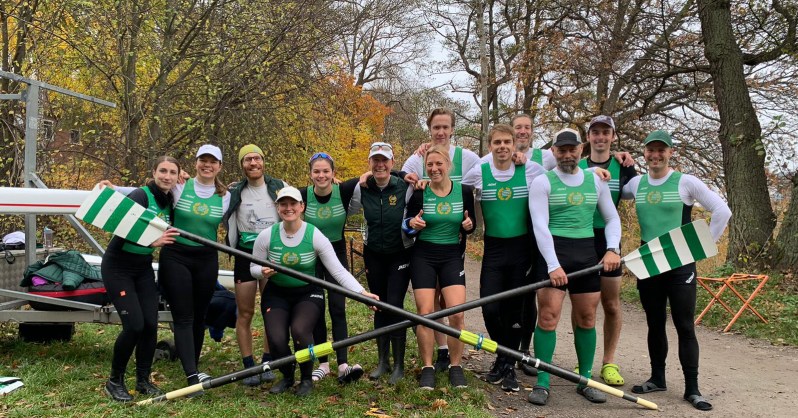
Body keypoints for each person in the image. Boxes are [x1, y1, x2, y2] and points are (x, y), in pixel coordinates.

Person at [622, 130, 730, 412]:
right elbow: (613, 189)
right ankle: (657, 378)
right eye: (651, 150)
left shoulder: (686, 182)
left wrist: (700, 246)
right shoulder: (637, 184)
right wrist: (617, 163)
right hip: (649, 263)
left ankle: (692, 388)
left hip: (680, 265)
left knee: (684, 325)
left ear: (671, 153)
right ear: (645, 153)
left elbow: (722, 211)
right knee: (654, 322)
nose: (655, 155)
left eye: (662, 150)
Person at [249, 187, 379, 397]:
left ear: (302, 207)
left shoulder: (315, 235)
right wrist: (261, 271)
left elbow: (338, 271)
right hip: (277, 293)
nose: (288, 208)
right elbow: (253, 268)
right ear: (277, 208)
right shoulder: (266, 236)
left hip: (308, 293)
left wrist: (362, 293)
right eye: (283, 204)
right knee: (276, 338)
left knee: (300, 331)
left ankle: (306, 378)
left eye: (293, 204)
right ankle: (287, 376)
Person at [527, 128, 621, 406]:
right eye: (562, 150)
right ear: (554, 152)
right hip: (553, 253)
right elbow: (540, 225)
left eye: (572, 149)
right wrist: (553, 265)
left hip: (586, 254)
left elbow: (612, 218)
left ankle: (585, 381)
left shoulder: (596, 181)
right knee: (548, 317)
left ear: (581, 150)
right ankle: (543, 381)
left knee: (587, 318)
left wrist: (612, 249)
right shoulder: (543, 182)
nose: (567, 154)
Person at [462, 124, 546, 392]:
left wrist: (593, 172)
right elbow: (450, 187)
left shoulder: (530, 170)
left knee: (515, 310)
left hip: (522, 250)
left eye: (507, 142)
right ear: (490, 146)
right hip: (494, 249)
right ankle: (504, 355)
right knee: (489, 307)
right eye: (497, 142)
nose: (502, 147)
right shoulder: (479, 172)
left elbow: (561, 179)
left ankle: (507, 365)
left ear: (514, 145)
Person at [402, 108, 481, 372]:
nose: (434, 168)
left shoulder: (465, 185)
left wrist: (469, 227)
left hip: (452, 253)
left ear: (449, 166)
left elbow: (470, 223)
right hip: (423, 254)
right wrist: (412, 225)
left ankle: (455, 366)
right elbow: (407, 220)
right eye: (436, 127)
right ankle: (432, 363)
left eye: (445, 127)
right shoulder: (419, 184)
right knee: (427, 311)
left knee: (455, 311)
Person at [101, 157, 180, 402]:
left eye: (173, 172)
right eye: (162, 171)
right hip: (118, 267)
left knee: (150, 325)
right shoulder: (141, 195)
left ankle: (143, 380)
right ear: (154, 172)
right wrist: (151, 241)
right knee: (134, 325)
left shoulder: (169, 200)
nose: (167, 176)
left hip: (142, 268)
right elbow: (119, 227)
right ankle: (114, 381)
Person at [158, 144, 230, 394]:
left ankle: (194, 366)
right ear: (196, 162)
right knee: (184, 316)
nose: (207, 165)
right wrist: (112, 188)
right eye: (203, 160)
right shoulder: (179, 185)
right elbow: (150, 190)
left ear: (219, 166)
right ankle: (191, 377)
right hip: (177, 256)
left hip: (206, 258)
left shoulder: (226, 195)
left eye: (213, 161)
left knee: (200, 316)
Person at [576, 115, 638, 386]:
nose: (600, 137)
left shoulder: (623, 166)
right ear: (588, 137)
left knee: (611, 303)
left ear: (613, 136)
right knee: (582, 303)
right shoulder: (577, 165)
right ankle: (583, 359)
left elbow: (639, 191)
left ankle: (609, 362)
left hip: (609, 240)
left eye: (605, 132)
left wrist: (628, 162)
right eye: (595, 132)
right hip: (580, 237)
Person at [348, 142, 415, 385]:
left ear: (392, 162)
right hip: (373, 253)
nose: (380, 165)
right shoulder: (362, 188)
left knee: (395, 305)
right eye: (375, 160)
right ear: (369, 163)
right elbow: (346, 205)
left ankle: (399, 365)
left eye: (384, 160)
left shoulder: (405, 186)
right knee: (378, 305)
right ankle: (383, 361)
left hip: (400, 253)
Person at [222, 144, 287, 386]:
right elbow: (208, 191)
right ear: (242, 164)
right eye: (247, 159)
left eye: (257, 158)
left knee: (271, 310)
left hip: (272, 254)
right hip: (244, 254)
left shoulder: (279, 186)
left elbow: (297, 206)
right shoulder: (234, 191)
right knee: (245, 311)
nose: (253, 163)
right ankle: (249, 366)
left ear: (263, 161)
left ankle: (268, 361)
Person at [301, 152, 365, 384]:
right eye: (316, 171)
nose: (321, 175)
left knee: (338, 307)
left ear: (333, 173)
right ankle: (323, 364)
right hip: (312, 257)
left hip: (336, 254)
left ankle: (343, 364)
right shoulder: (302, 195)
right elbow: (275, 194)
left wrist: (409, 176)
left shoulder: (344, 191)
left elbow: (371, 175)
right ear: (310, 174)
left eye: (326, 171)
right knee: (316, 309)